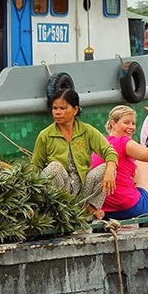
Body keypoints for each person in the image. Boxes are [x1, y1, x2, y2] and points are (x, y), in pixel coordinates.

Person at [30, 88, 118, 220]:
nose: (58, 112)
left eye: (63, 108)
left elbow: (109, 151)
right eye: (55, 108)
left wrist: (110, 169)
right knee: (55, 167)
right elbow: (35, 167)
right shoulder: (45, 135)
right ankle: (59, 211)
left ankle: (88, 208)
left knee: (109, 168)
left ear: (75, 110)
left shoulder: (86, 131)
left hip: (82, 189)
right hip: (59, 190)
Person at [90, 105, 148, 220]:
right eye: (126, 123)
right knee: (142, 161)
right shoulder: (124, 142)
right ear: (113, 124)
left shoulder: (100, 144)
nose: (131, 127)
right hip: (130, 208)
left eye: (133, 123)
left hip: (105, 211)